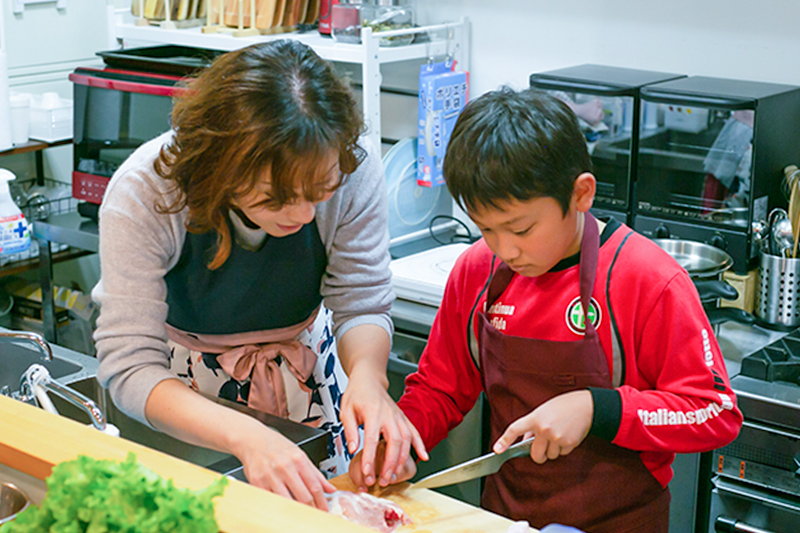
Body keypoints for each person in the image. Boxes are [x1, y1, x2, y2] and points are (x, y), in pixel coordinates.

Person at [348, 88, 743, 533]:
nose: (505, 249)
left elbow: (714, 411)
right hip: (504, 519)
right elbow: (441, 388)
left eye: (521, 228)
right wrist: (398, 442)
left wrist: (597, 408)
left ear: (581, 194)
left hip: (621, 522)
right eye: (487, 229)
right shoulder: (478, 271)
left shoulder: (646, 279)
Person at [92, 40, 426, 512]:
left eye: (320, 191)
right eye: (276, 197)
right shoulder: (147, 190)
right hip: (184, 396)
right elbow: (130, 366)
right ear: (220, 166)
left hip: (304, 368)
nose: (306, 214)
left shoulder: (352, 166)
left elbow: (361, 301)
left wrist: (368, 379)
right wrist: (249, 435)